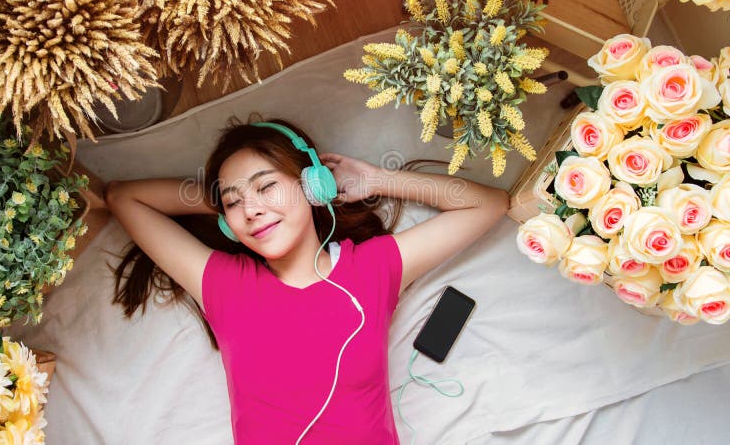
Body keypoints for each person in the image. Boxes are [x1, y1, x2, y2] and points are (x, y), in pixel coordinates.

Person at [105, 115, 508, 444]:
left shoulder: (371, 269)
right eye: (234, 203)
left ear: (313, 184)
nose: (251, 209)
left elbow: (488, 204)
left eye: (267, 186)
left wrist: (377, 181)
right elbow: (123, 197)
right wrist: (226, 201)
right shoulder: (223, 284)